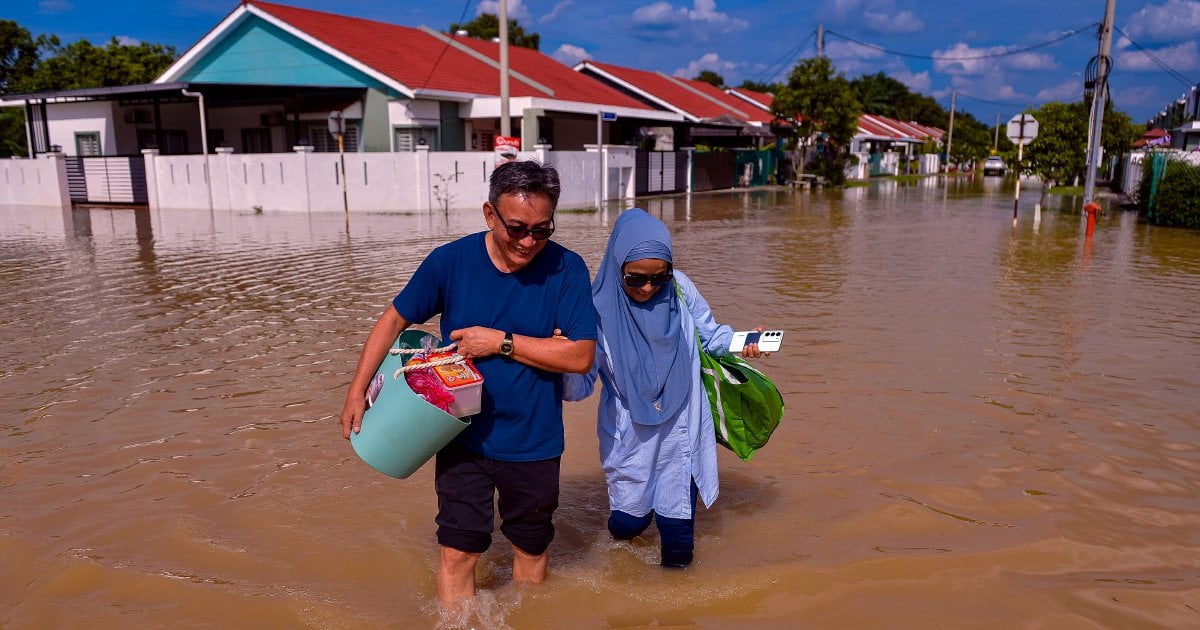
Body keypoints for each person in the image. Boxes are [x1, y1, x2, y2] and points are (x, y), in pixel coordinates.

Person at [339, 160, 597, 604]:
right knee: (458, 552)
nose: (529, 241)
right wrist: (357, 391)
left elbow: (580, 355)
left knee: (531, 551)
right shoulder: (450, 262)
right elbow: (395, 318)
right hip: (459, 437)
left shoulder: (567, 270)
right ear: (489, 214)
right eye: (516, 228)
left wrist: (501, 343)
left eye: (542, 229)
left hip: (534, 442)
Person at [563, 208, 765, 568]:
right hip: (632, 439)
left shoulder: (680, 290)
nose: (647, 288)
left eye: (659, 278)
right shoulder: (594, 313)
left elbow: (710, 335)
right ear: (617, 266)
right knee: (629, 524)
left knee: (679, 539)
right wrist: (556, 361)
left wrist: (744, 342)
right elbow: (580, 385)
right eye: (635, 278)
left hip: (682, 432)